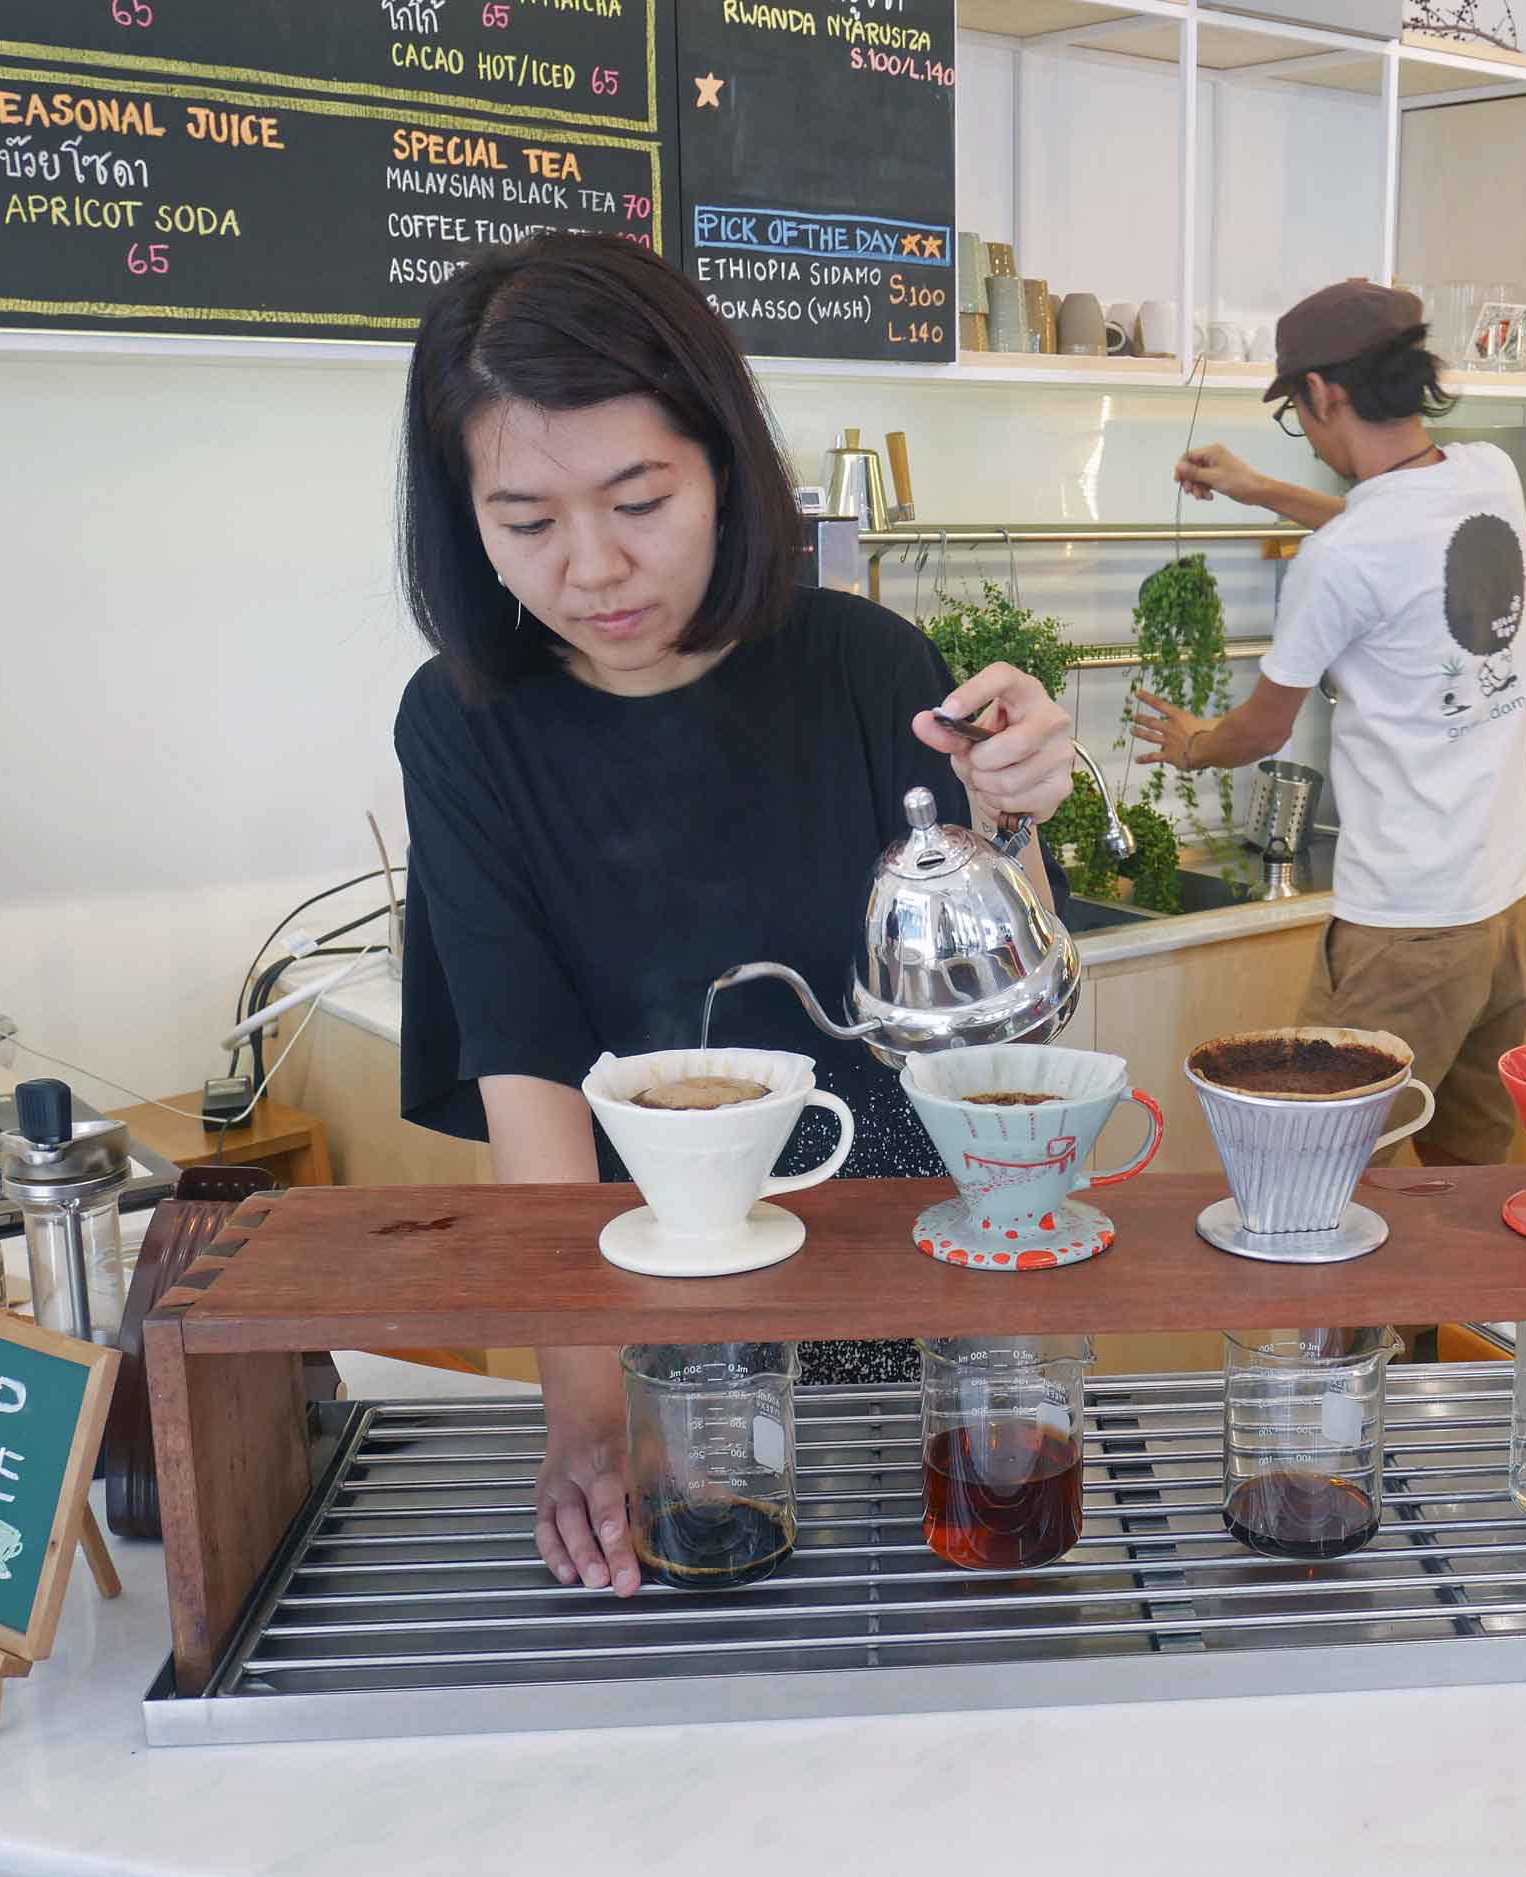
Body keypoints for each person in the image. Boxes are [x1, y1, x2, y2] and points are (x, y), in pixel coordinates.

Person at [391, 233, 1074, 1597]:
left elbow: (1008, 1053)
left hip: (898, 1280)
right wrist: (587, 1417)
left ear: (724, 465)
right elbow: (536, 1108)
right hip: (647, 1311)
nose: (590, 567)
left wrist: (1010, 820)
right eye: (526, 521)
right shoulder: (465, 730)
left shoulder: (866, 669)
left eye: (639, 498)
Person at [1133, 281, 1526, 1165]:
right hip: (1509, 906)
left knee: (1317, 1167)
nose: (1308, 433)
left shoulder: (1341, 561)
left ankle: (1362, 1315)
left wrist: (1194, 742)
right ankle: (1426, 1314)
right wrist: (1263, 490)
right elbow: (1394, 541)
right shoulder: (1488, 477)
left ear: (1324, 393)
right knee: (1465, 1185)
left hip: (1409, 930)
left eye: (1299, 413)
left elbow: (1262, 729)